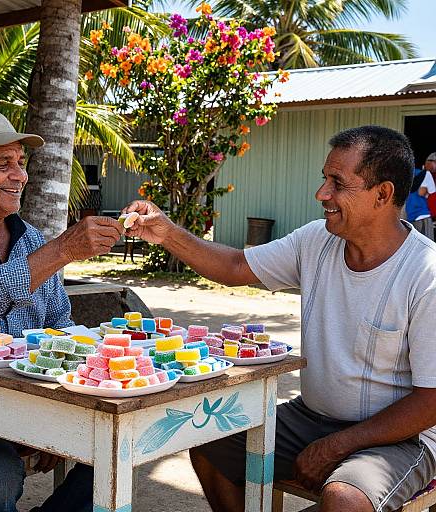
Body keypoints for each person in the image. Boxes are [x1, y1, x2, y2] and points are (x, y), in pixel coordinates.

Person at [124, 125, 436, 512]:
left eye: (337, 183)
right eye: (324, 179)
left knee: (344, 499)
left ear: (383, 194)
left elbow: (431, 401)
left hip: (403, 439)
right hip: (311, 416)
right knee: (207, 442)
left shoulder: (427, 274)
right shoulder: (315, 240)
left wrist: (338, 445)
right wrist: (167, 233)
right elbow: (237, 265)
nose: (322, 194)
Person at [0, 110, 124, 512]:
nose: (19, 175)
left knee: (115, 448)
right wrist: (62, 249)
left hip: (22, 400)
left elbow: (59, 321)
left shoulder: (30, 237)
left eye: (20, 162)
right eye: (3, 164)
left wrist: (54, 409)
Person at [405, 164, 435, 239]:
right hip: (422, 215)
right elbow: (432, 191)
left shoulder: (402, 175)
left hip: (408, 218)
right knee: (429, 247)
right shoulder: (425, 174)